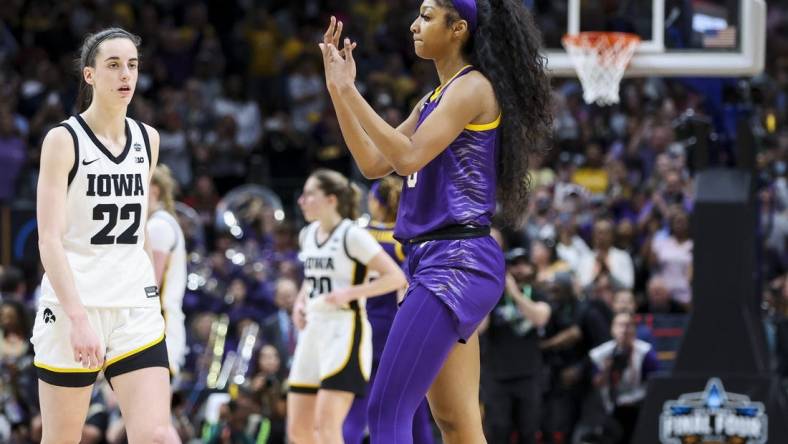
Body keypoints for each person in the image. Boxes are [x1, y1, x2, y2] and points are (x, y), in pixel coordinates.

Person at [318, 0, 552, 440]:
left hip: (455, 261)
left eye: (426, 16)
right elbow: (373, 162)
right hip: (437, 260)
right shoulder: (434, 98)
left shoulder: (472, 88)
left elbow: (406, 158)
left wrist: (352, 92)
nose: (414, 25)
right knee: (457, 423)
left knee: (386, 412)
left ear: (458, 28)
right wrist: (338, 90)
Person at [31, 28, 178, 443]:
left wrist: (153, 293)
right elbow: (49, 240)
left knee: (158, 435)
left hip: (134, 305)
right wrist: (78, 319)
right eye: (113, 65)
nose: (125, 74)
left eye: (131, 65)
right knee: (62, 438)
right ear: (90, 75)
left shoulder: (148, 139)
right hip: (75, 304)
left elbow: (141, 232)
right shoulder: (63, 140)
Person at [287, 169, 408, 444]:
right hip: (312, 332)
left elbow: (396, 277)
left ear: (331, 200)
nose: (301, 201)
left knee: (328, 429)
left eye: (309, 195)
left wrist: (351, 293)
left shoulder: (352, 235)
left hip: (344, 330)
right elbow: (312, 278)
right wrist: (299, 303)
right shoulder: (307, 234)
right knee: (298, 431)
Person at [343, 176, 434, 444]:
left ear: (375, 202)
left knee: (357, 411)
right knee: (413, 410)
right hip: (400, 329)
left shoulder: (357, 235)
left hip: (363, 328)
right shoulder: (407, 238)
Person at [479, 248, 551, 444]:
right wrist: (492, 293)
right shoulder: (494, 296)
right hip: (496, 377)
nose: (519, 270)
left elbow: (540, 318)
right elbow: (479, 328)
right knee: (497, 431)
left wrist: (515, 293)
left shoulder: (538, 293)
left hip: (528, 375)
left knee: (529, 431)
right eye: (514, 265)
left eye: (523, 264)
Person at [146, 164, 188, 377]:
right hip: (163, 328)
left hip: (160, 331)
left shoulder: (158, 226)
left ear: (154, 190)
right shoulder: (160, 222)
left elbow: (150, 287)